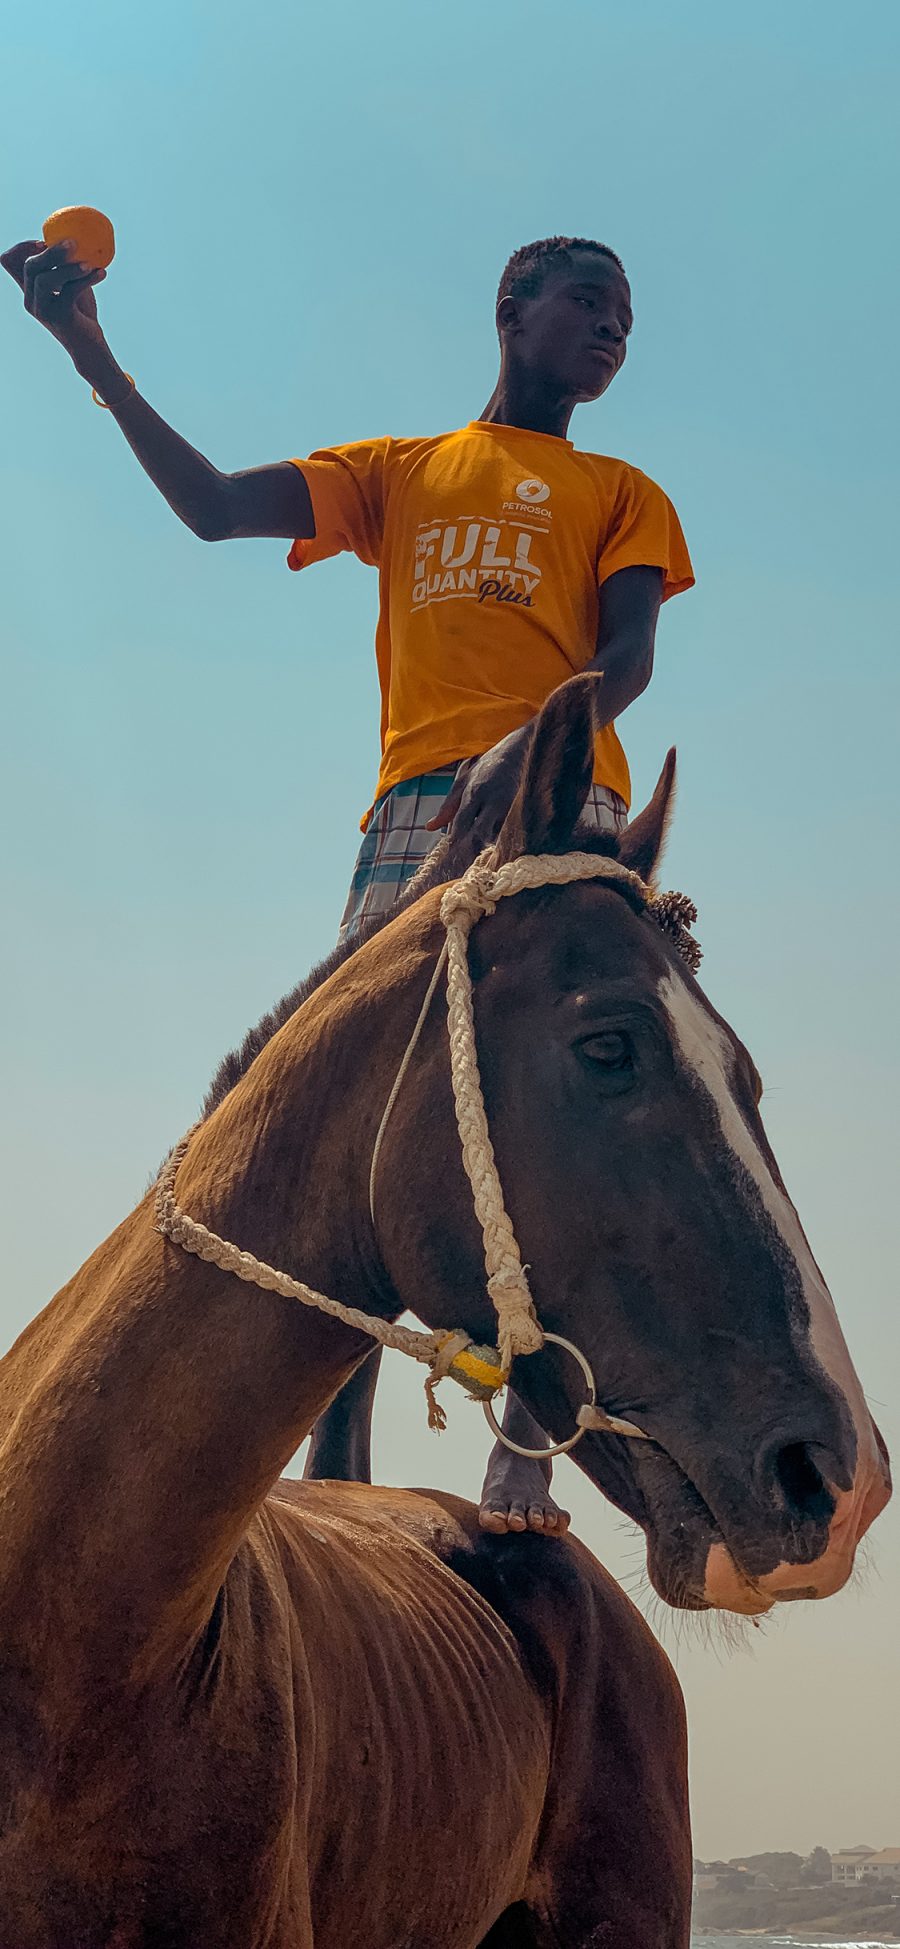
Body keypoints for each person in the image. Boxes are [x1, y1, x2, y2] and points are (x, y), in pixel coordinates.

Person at [3, 229, 694, 1535]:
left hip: (559, 798)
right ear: (514, 308)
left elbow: (631, 652)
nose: (614, 330)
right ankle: (340, 1455)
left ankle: (529, 1443)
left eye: (628, 319)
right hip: (417, 810)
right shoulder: (399, 474)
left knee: (571, 1112)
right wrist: (86, 347)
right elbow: (209, 505)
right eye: (592, 304)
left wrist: (534, 750)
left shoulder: (622, 488)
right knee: (346, 1101)